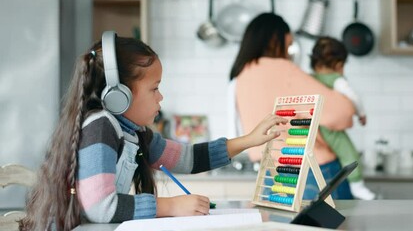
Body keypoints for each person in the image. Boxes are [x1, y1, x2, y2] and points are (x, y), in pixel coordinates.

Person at [19, 31, 288, 231]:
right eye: (154, 88)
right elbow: (100, 207)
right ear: (119, 95)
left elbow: (187, 158)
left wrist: (250, 140)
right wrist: (170, 206)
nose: (161, 97)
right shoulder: (100, 128)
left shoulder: (133, 132)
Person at [228, 13, 355, 200]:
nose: (288, 53)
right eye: (288, 45)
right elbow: (342, 114)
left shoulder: (241, 75)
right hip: (312, 173)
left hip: (271, 176)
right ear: (274, 40)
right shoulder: (284, 70)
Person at [310, 36, 375, 200]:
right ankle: (357, 185)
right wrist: (361, 113)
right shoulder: (337, 80)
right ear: (338, 64)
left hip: (314, 126)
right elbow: (354, 97)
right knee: (349, 153)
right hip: (330, 128)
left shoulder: (309, 79)